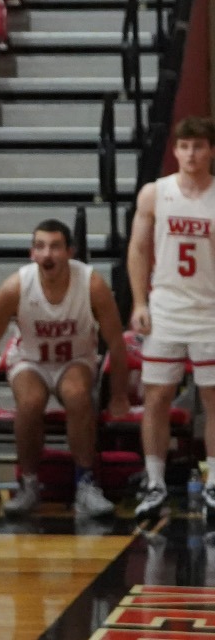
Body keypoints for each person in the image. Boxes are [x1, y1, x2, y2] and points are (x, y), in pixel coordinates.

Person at [0, 219, 127, 520]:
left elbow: (117, 343)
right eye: (40, 247)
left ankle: (85, 484)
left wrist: (119, 395)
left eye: (55, 246)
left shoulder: (91, 283)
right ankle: (28, 484)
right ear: (32, 253)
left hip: (75, 359)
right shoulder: (15, 286)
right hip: (30, 360)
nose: (47, 254)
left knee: (78, 393)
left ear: (70, 251)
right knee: (30, 402)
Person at [126, 117, 215, 522]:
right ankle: (155, 481)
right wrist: (140, 302)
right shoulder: (154, 194)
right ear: (175, 150)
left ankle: (213, 483)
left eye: (198, 146)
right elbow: (139, 251)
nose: (191, 154)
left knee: (213, 402)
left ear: (210, 150)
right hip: (166, 308)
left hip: (210, 310)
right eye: (184, 146)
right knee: (156, 399)